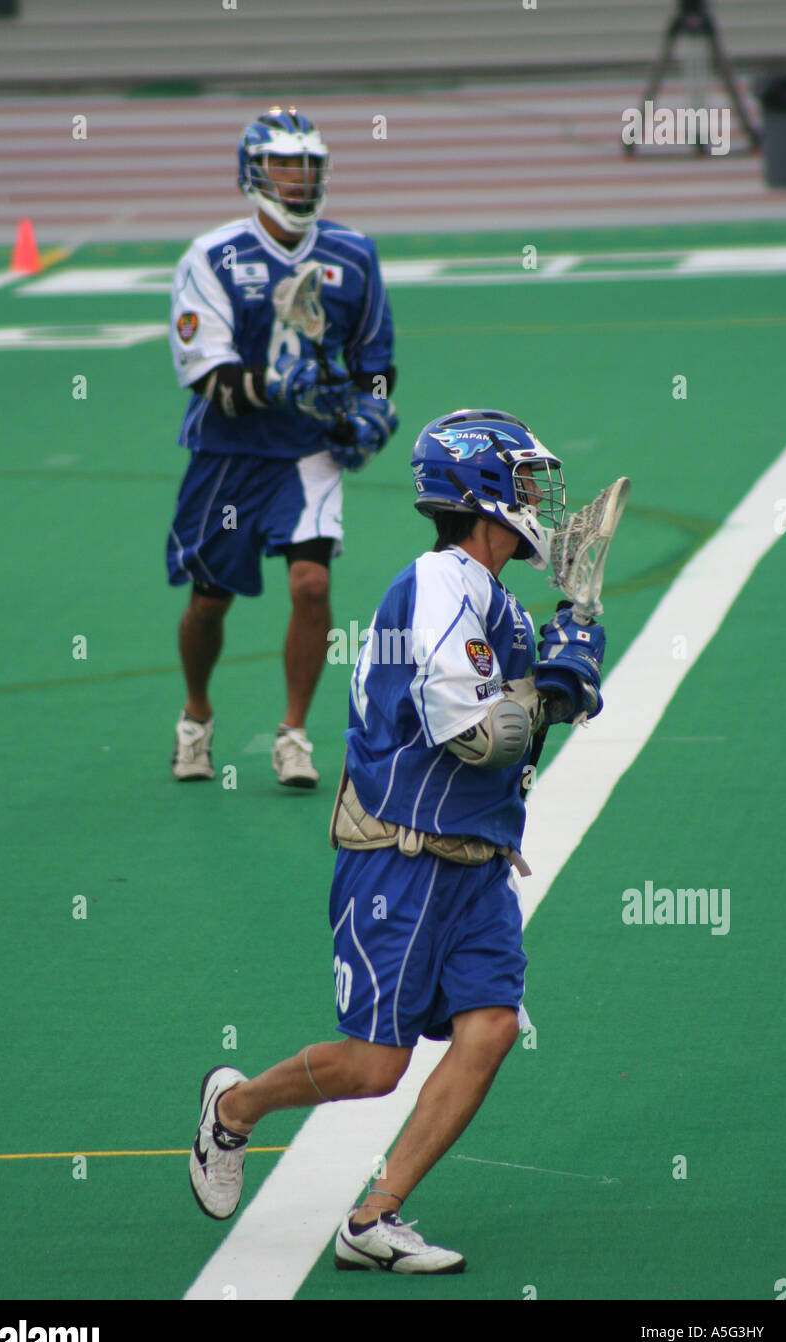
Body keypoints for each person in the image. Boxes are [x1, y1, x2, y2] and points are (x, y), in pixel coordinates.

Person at [188, 409, 607, 1273]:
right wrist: (558, 684)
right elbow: (480, 738)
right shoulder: (439, 586)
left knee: (488, 1031)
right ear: (480, 492)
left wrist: (570, 653)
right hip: (401, 856)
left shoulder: (496, 606)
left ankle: (373, 1219)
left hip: (476, 863)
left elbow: (516, 753)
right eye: (524, 481)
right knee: (377, 1065)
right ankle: (235, 1108)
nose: (538, 499)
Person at [167, 106, 397, 788]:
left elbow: (374, 359)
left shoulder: (353, 254)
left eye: (309, 165)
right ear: (252, 171)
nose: (297, 179)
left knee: (313, 582)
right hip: (229, 456)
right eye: (284, 165)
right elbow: (207, 376)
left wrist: (372, 412)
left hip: (308, 453)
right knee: (210, 602)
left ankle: (293, 734)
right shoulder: (211, 256)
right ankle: (196, 716)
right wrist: (280, 383)